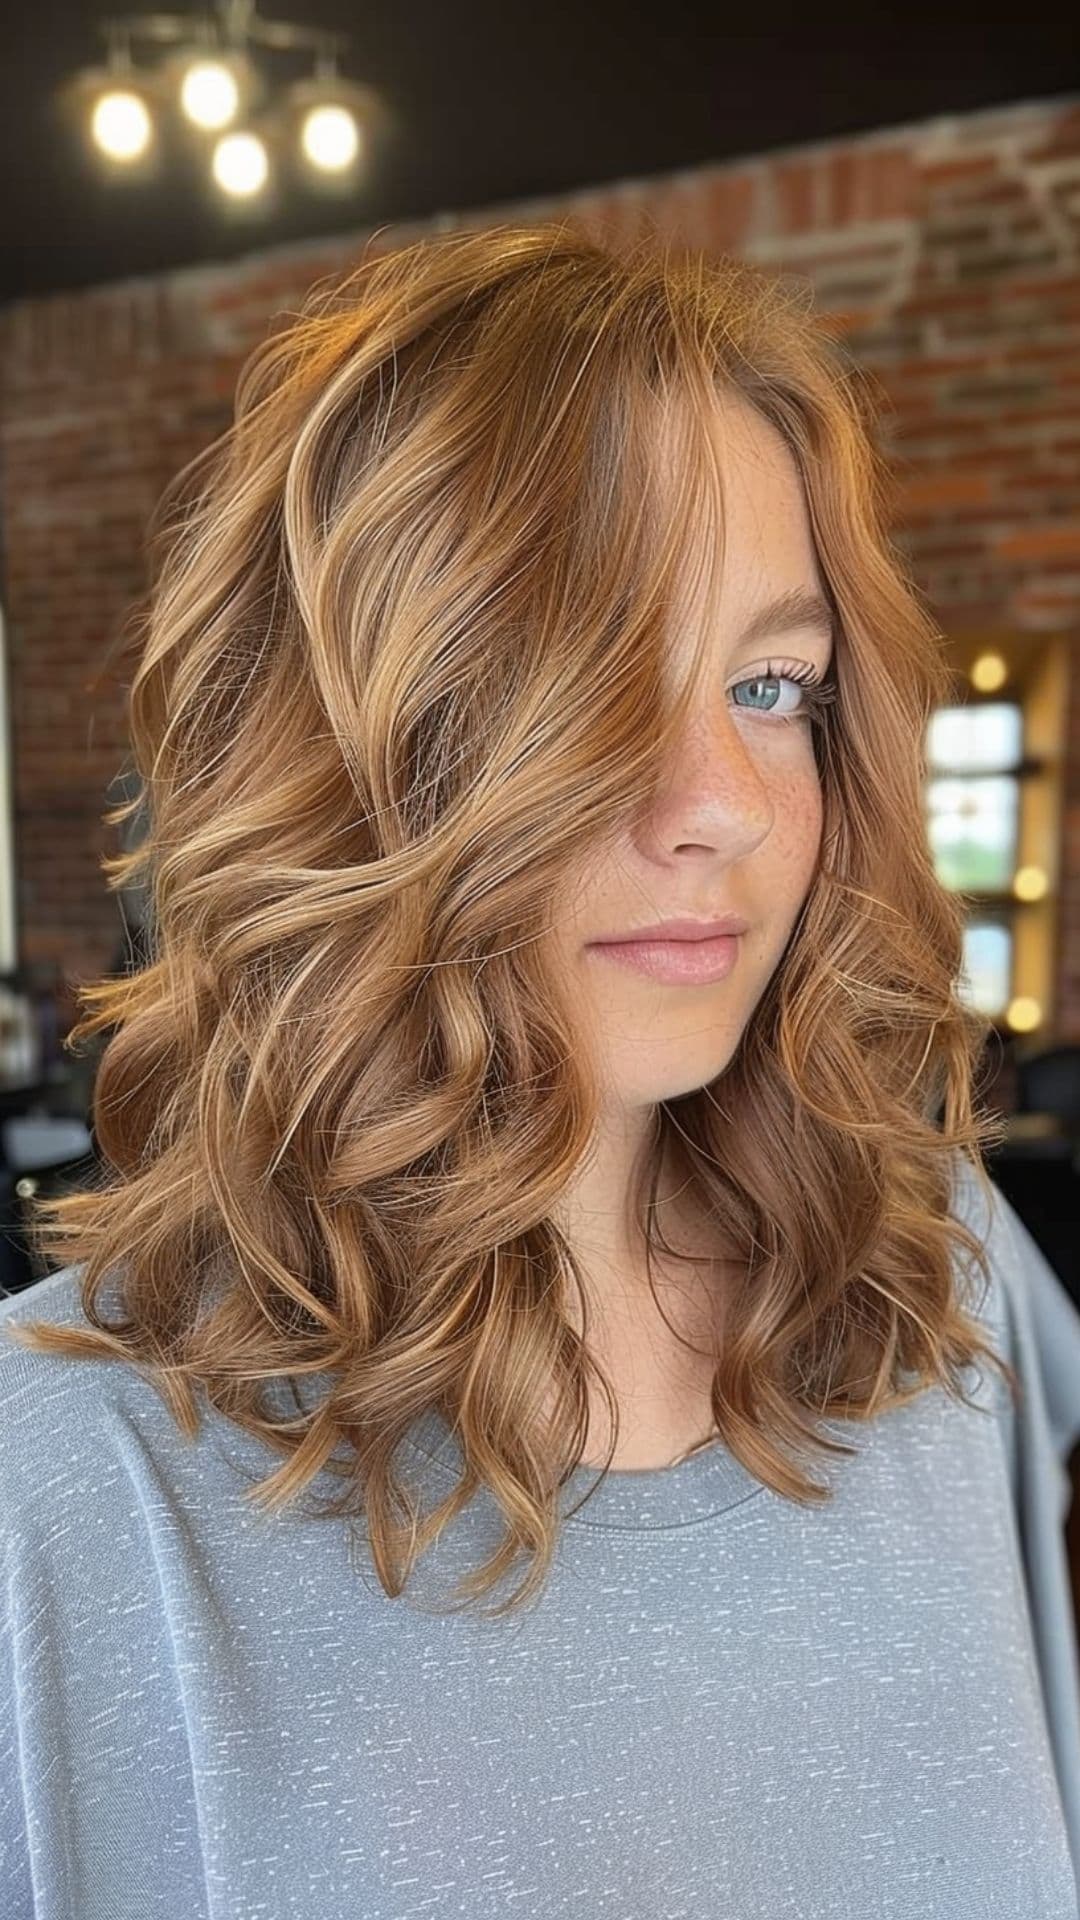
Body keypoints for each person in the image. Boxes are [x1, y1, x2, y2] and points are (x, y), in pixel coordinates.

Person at [2, 221, 1080, 1919]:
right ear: (353, 743)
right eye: (588, 683)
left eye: (773, 682)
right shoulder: (61, 1488)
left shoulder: (937, 1289)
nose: (722, 795)